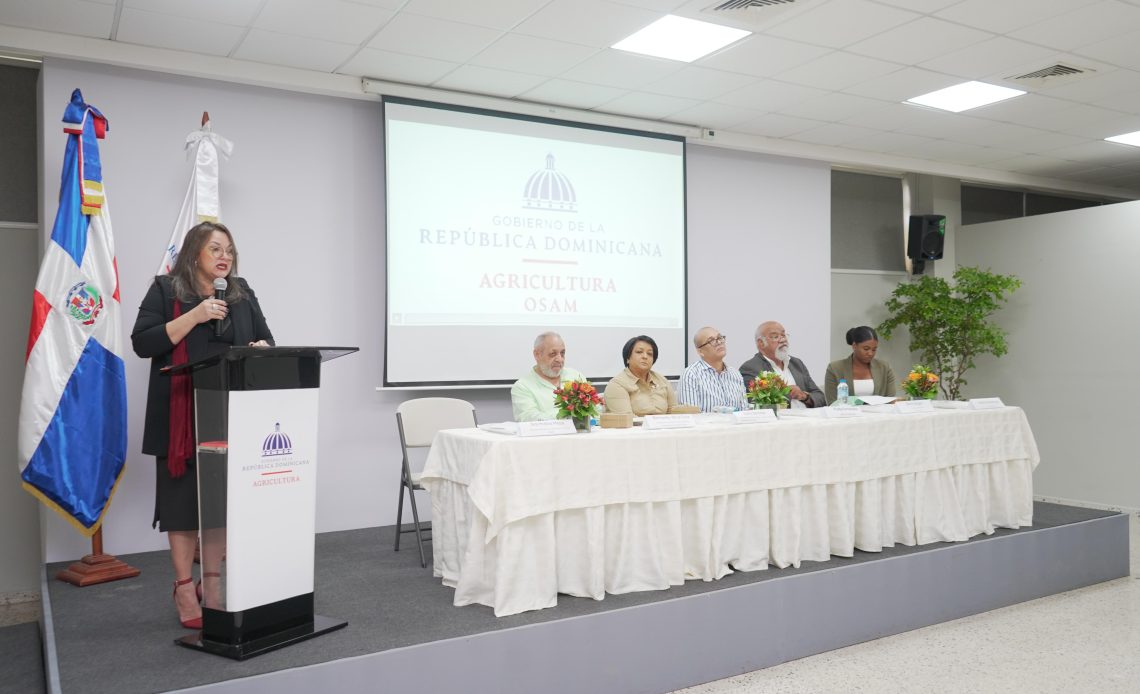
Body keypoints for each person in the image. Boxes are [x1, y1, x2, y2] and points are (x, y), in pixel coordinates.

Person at [131, 222, 274, 630]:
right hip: (179, 417)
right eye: (215, 249)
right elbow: (144, 343)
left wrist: (263, 349)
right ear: (195, 253)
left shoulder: (241, 292)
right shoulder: (165, 289)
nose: (224, 256)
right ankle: (181, 586)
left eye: (228, 249)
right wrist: (196, 314)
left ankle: (211, 585)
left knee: (217, 507)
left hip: (228, 415)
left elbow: (265, 339)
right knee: (182, 508)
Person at [739, 321, 824, 408]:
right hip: (780, 420)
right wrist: (786, 392)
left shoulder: (796, 363)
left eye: (783, 335)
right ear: (761, 343)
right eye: (775, 336)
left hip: (809, 418)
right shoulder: (750, 368)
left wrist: (804, 396)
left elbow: (821, 397)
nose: (782, 340)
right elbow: (754, 404)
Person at [511, 331, 586, 421]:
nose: (559, 359)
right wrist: (567, 417)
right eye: (553, 354)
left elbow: (594, 410)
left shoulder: (576, 376)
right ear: (537, 354)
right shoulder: (522, 386)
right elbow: (529, 417)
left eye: (562, 353)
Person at [604, 335, 682, 416]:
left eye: (649, 354)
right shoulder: (617, 384)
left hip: (664, 427)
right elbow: (627, 419)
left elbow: (674, 412)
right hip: (635, 428)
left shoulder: (662, 380)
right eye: (639, 352)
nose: (645, 356)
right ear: (627, 358)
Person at [677, 326, 746, 412]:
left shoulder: (735, 374)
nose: (719, 342)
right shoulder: (691, 374)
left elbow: (744, 410)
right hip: (707, 425)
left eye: (720, 338)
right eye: (711, 340)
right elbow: (691, 415)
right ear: (700, 351)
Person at [824, 325, 898, 404]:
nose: (870, 353)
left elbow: (890, 400)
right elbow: (832, 402)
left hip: (879, 415)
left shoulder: (884, 367)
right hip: (847, 415)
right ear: (854, 346)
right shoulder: (835, 368)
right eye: (866, 349)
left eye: (874, 349)